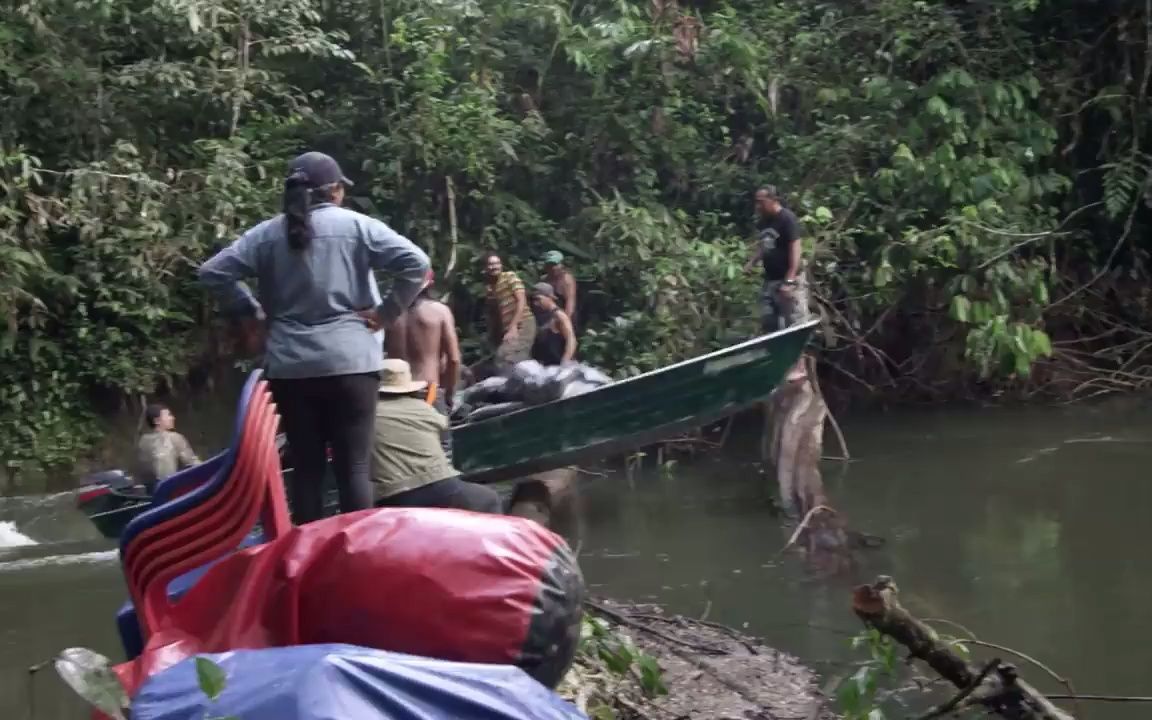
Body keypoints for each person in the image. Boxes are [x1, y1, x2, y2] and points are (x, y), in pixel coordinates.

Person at [198, 151, 430, 524]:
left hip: (291, 369)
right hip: (352, 362)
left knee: (306, 471)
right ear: (335, 191)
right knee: (354, 467)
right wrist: (385, 314)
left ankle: (308, 561)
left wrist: (251, 311)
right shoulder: (358, 226)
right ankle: (359, 554)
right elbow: (416, 263)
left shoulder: (266, 234)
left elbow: (213, 273)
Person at [371, 359, 503, 513]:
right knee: (489, 499)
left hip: (392, 495)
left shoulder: (365, 416)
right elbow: (444, 433)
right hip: (438, 486)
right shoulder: (423, 409)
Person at [384, 269, 461, 458]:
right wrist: (450, 392)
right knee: (442, 454)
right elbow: (454, 359)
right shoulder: (439, 311)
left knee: (406, 455)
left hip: (396, 394)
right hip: (429, 391)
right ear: (430, 284)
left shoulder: (388, 316)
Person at [742, 185, 809, 333]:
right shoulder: (763, 222)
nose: (758, 206)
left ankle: (800, 354)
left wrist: (790, 280)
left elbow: (796, 249)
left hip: (789, 279)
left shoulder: (787, 218)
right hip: (771, 280)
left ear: (773, 200)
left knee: (795, 323)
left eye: (761, 202)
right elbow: (764, 245)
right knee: (769, 323)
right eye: (756, 202)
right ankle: (777, 353)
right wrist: (752, 262)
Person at [483, 251, 536, 369]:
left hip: (523, 323)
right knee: (512, 358)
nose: (494, 267)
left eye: (496, 263)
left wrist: (513, 326)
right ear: (486, 267)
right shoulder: (491, 287)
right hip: (507, 328)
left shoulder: (509, 277)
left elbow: (521, 300)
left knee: (506, 357)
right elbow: (494, 314)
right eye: (490, 264)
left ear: (501, 265)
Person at [136, 403, 200, 493]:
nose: (173, 418)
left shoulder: (142, 441)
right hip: (171, 490)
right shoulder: (175, 437)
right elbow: (193, 463)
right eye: (168, 415)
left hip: (151, 491)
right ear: (157, 421)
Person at [530, 283, 577, 366]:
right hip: (544, 365)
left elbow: (571, 340)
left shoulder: (559, 316)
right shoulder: (541, 316)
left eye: (538, 299)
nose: (535, 303)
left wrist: (565, 361)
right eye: (533, 300)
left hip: (558, 365)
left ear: (549, 297)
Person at [540, 250, 577, 322]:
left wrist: (565, 321)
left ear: (562, 265)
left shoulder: (566, 279)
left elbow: (570, 303)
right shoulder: (543, 280)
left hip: (564, 315)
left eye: (555, 264)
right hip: (548, 316)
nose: (553, 268)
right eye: (550, 265)